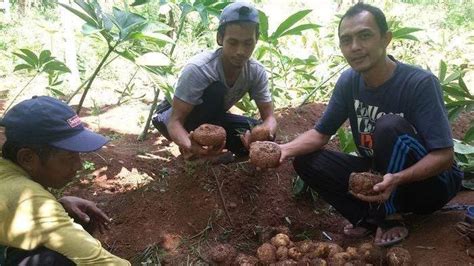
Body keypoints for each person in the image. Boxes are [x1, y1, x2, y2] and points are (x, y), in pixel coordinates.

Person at [279, 3, 463, 247]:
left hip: (429, 185)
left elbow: (445, 156)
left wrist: (397, 178)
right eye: (346, 40)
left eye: (364, 36)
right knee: (307, 161)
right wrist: (283, 150)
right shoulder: (348, 82)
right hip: (381, 177)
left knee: (388, 126)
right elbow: (320, 134)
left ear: (386, 39)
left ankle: (389, 215)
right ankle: (368, 218)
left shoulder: (419, 83)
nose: (355, 47)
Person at [0, 96, 130, 265]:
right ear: (27, 158)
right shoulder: (27, 199)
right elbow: (100, 262)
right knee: (50, 261)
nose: (79, 165)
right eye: (69, 156)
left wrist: (58, 204)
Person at [152, 1, 277, 160]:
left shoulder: (256, 71)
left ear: (256, 39)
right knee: (215, 91)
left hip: (212, 118)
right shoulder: (199, 69)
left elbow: (270, 118)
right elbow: (174, 122)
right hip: (170, 117)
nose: (241, 51)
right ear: (220, 38)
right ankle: (197, 151)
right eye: (233, 42)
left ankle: (210, 148)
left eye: (248, 43)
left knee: (256, 136)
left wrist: (263, 133)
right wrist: (191, 146)